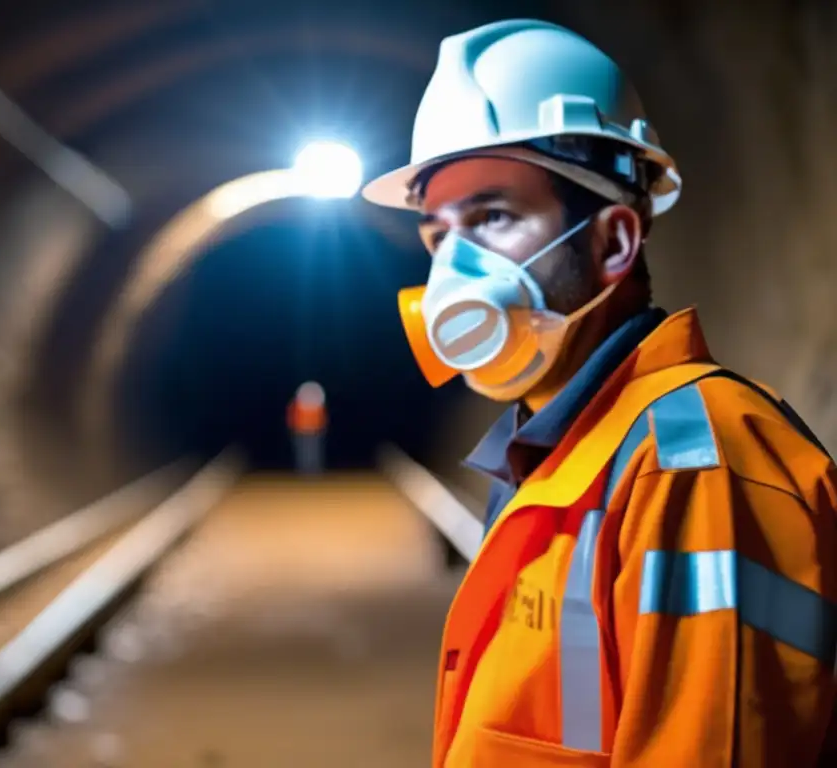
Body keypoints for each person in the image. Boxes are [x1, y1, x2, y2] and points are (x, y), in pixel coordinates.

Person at [361, 18, 837, 768]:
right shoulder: (562, 453)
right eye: (437, 236)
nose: (452, 270)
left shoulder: (694, 461)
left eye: (492, 217)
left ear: (613, 241)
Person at [287, 381, 327, 474]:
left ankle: (314, 469)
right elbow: (293, 417)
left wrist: (320, 428)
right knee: (303, 452)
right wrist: (294, 428)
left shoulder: (318, 405)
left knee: (314, 451)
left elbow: (321, 418)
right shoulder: (297, 404)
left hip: (314, 432)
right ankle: (303, 470)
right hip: (301, 431)